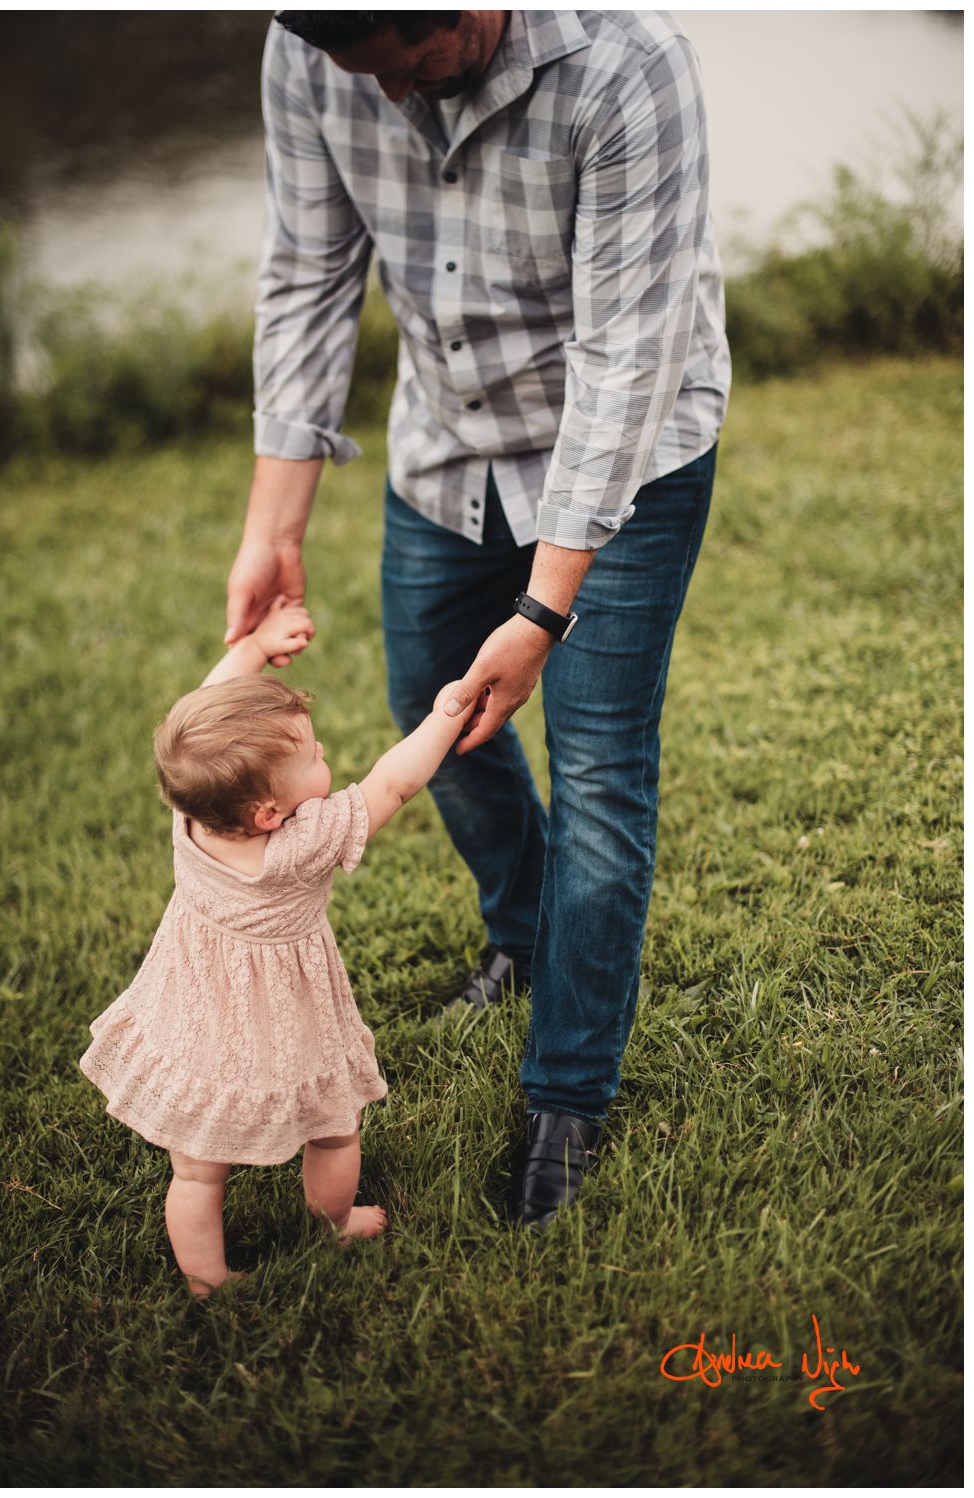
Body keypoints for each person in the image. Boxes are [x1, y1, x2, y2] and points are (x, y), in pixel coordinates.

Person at [232, 13, 730, 1225]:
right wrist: (272, 525)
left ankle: (566, 1093)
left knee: (601, 768)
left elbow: (623, 357)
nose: (393, 91)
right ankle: (525, 929)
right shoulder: (306, 50)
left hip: (625, 460)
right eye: (366, 70)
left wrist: (539, 608)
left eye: (409, 52)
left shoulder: (625, 62)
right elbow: (309, 273)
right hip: (444, 451)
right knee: (427, 705)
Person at [80, 603, 471, 1295]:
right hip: (285, 1016)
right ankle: (336, 1219)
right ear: (268, 813)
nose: (326, 757)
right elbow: (393, 783)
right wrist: (446, 715)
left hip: (198, 1010)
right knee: (332, 1126)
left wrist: (255, 646)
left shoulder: (192, 807)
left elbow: (204, 705)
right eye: (315, 757)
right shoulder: (295, 848)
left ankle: (206, 1279)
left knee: (197, 1167)